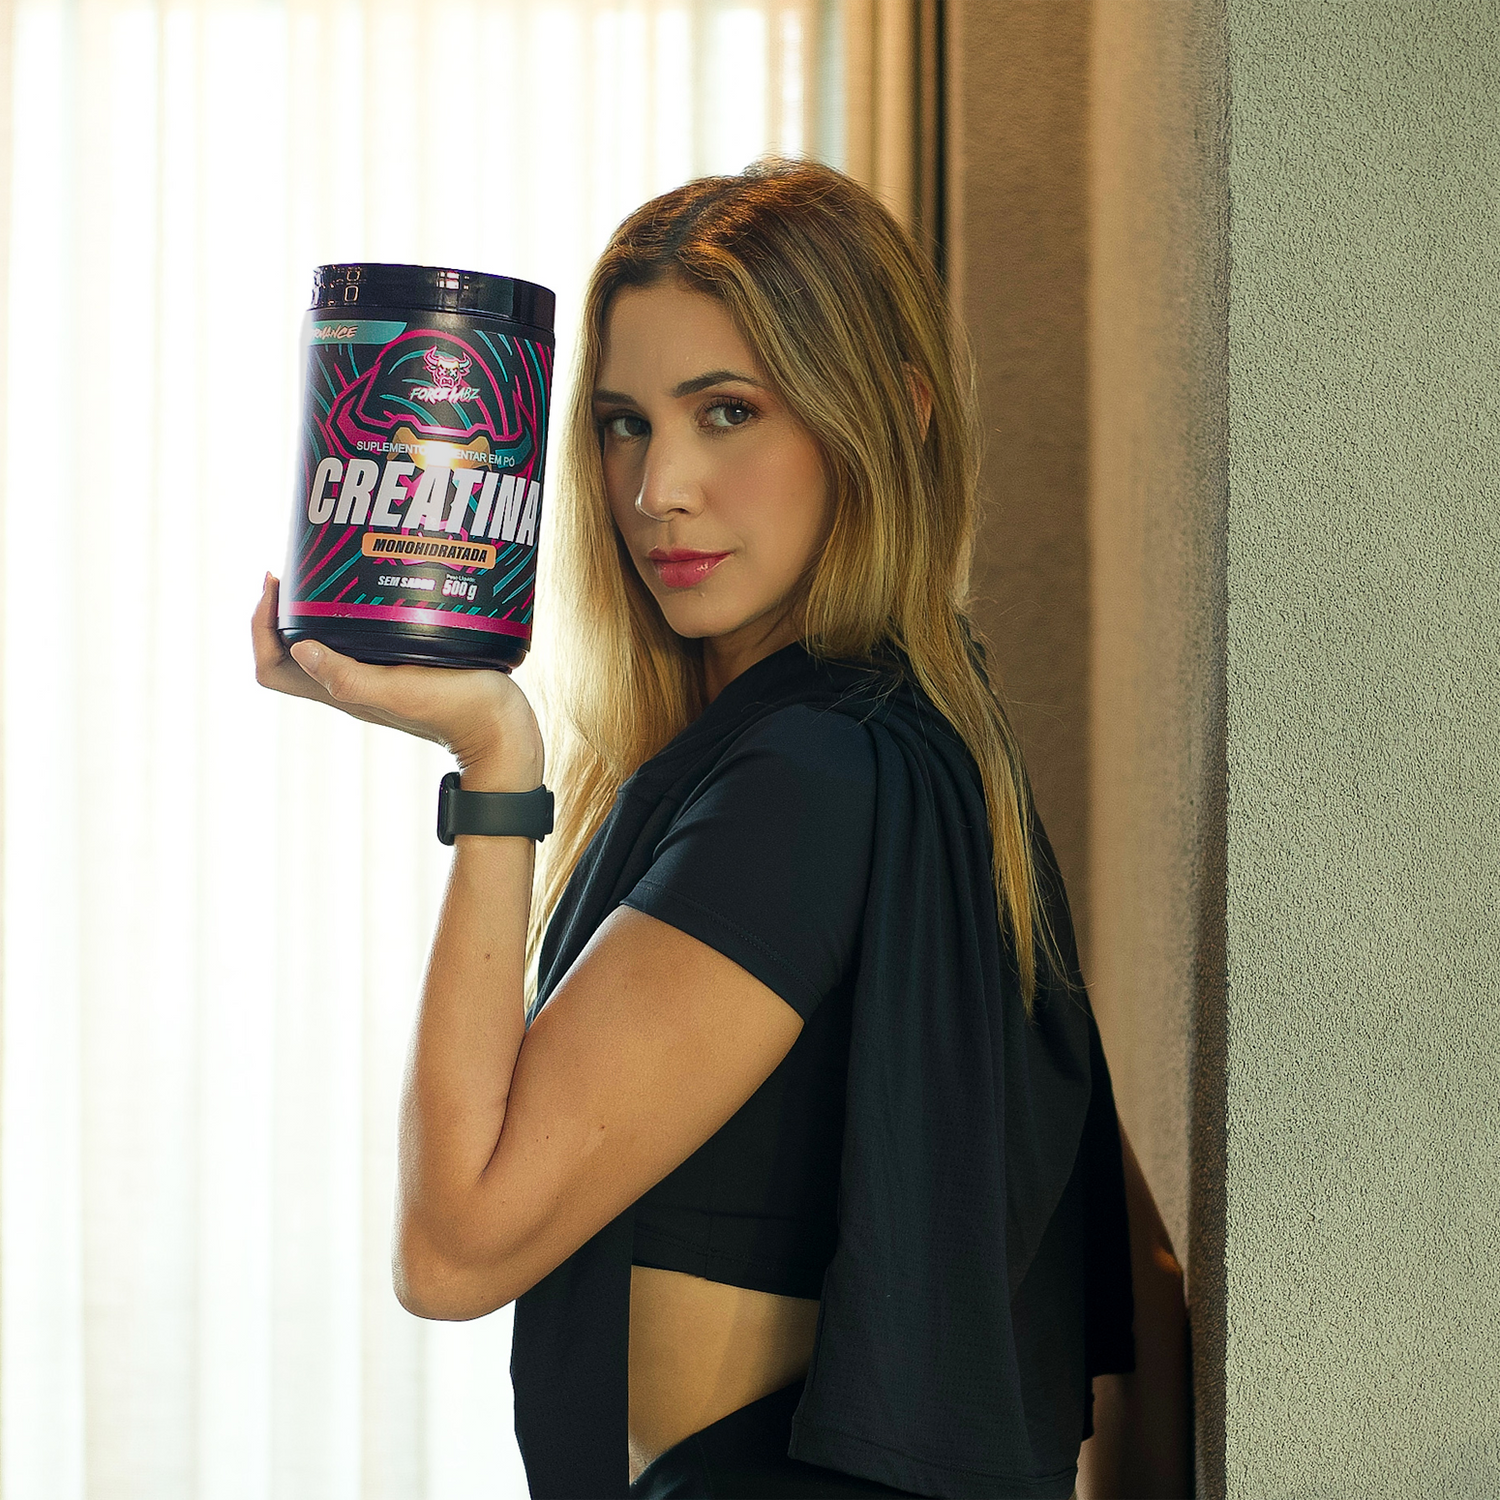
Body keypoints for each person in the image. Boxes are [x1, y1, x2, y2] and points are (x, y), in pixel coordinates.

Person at [252, 159, 1186, 1500]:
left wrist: (496, 763)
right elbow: (1119, 1259)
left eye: (728, 411)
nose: (660, 488)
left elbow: (453, 1248)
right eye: (624, 424)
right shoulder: (913, 743)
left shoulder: (813, 775)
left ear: (893, 415)